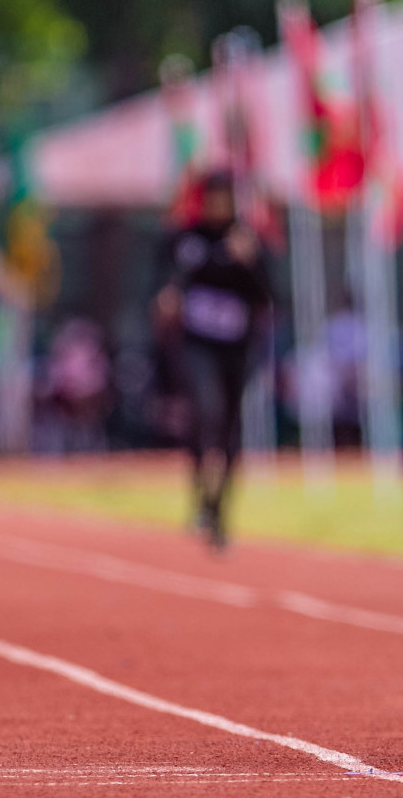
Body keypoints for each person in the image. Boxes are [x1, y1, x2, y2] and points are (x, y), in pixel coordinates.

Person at [154, 171, 271, 549]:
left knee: (229, 428)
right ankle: (200, 492)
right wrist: (167, 297)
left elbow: (269, 295)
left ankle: (218, 508)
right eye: (213, 198)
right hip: (197, 344)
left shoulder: (246, 237)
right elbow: (165, 282)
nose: (219, 206)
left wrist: (251, 263)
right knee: (207, 411)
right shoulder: (185, 237)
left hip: (237, 347)